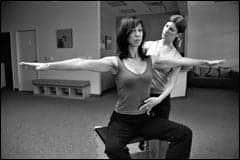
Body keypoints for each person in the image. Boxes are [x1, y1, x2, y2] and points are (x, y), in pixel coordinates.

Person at [19, 16, 224, 159]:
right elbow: (81, 62)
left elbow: (178, 60)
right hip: (122, 119)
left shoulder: (152, 60)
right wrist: (46, 65)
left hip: (145, 117)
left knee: (184, 134)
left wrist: (206, 62)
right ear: (125, 36)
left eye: (140, 31)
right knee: (113, 148)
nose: (137, 34)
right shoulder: (115, 62)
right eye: (133, 31)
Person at [138, 14, 192, 158]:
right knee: (143, 127)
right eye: (166, 26)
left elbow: (171, 83)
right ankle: (146, 144)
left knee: (159, 134)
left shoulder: (176, 57)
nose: (167, 30)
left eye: (172, 29)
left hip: (160, 99)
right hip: (143, 95)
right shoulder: (148, 45)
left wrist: (159, 99)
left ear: (178, 34)